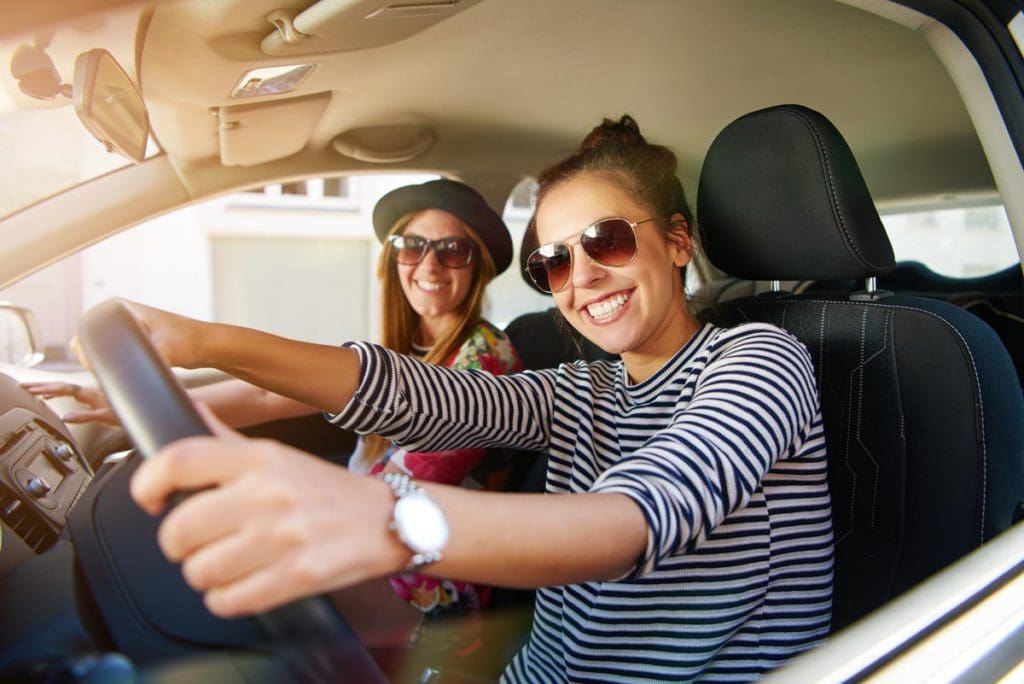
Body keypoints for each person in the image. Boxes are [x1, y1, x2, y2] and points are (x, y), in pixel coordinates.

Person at [108, 115, 834, 682]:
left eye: (605, 241)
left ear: (677, 243)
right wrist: (200, 342)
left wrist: (389, 520)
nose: (580, 278)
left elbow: (635, 518)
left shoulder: (759, 360)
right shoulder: (586, 387)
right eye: (553, 262)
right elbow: (423, 395)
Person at [23, 178, 522, 655]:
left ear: (476, 267)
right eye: (413, 247)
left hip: (421, 576)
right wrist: (126, 404)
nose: (430, 266)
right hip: (371, 544)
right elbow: (268, 399)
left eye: (453, 250)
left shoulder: (485, 355)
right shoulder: (401, 348)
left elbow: (395, 496)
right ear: (393, 260)